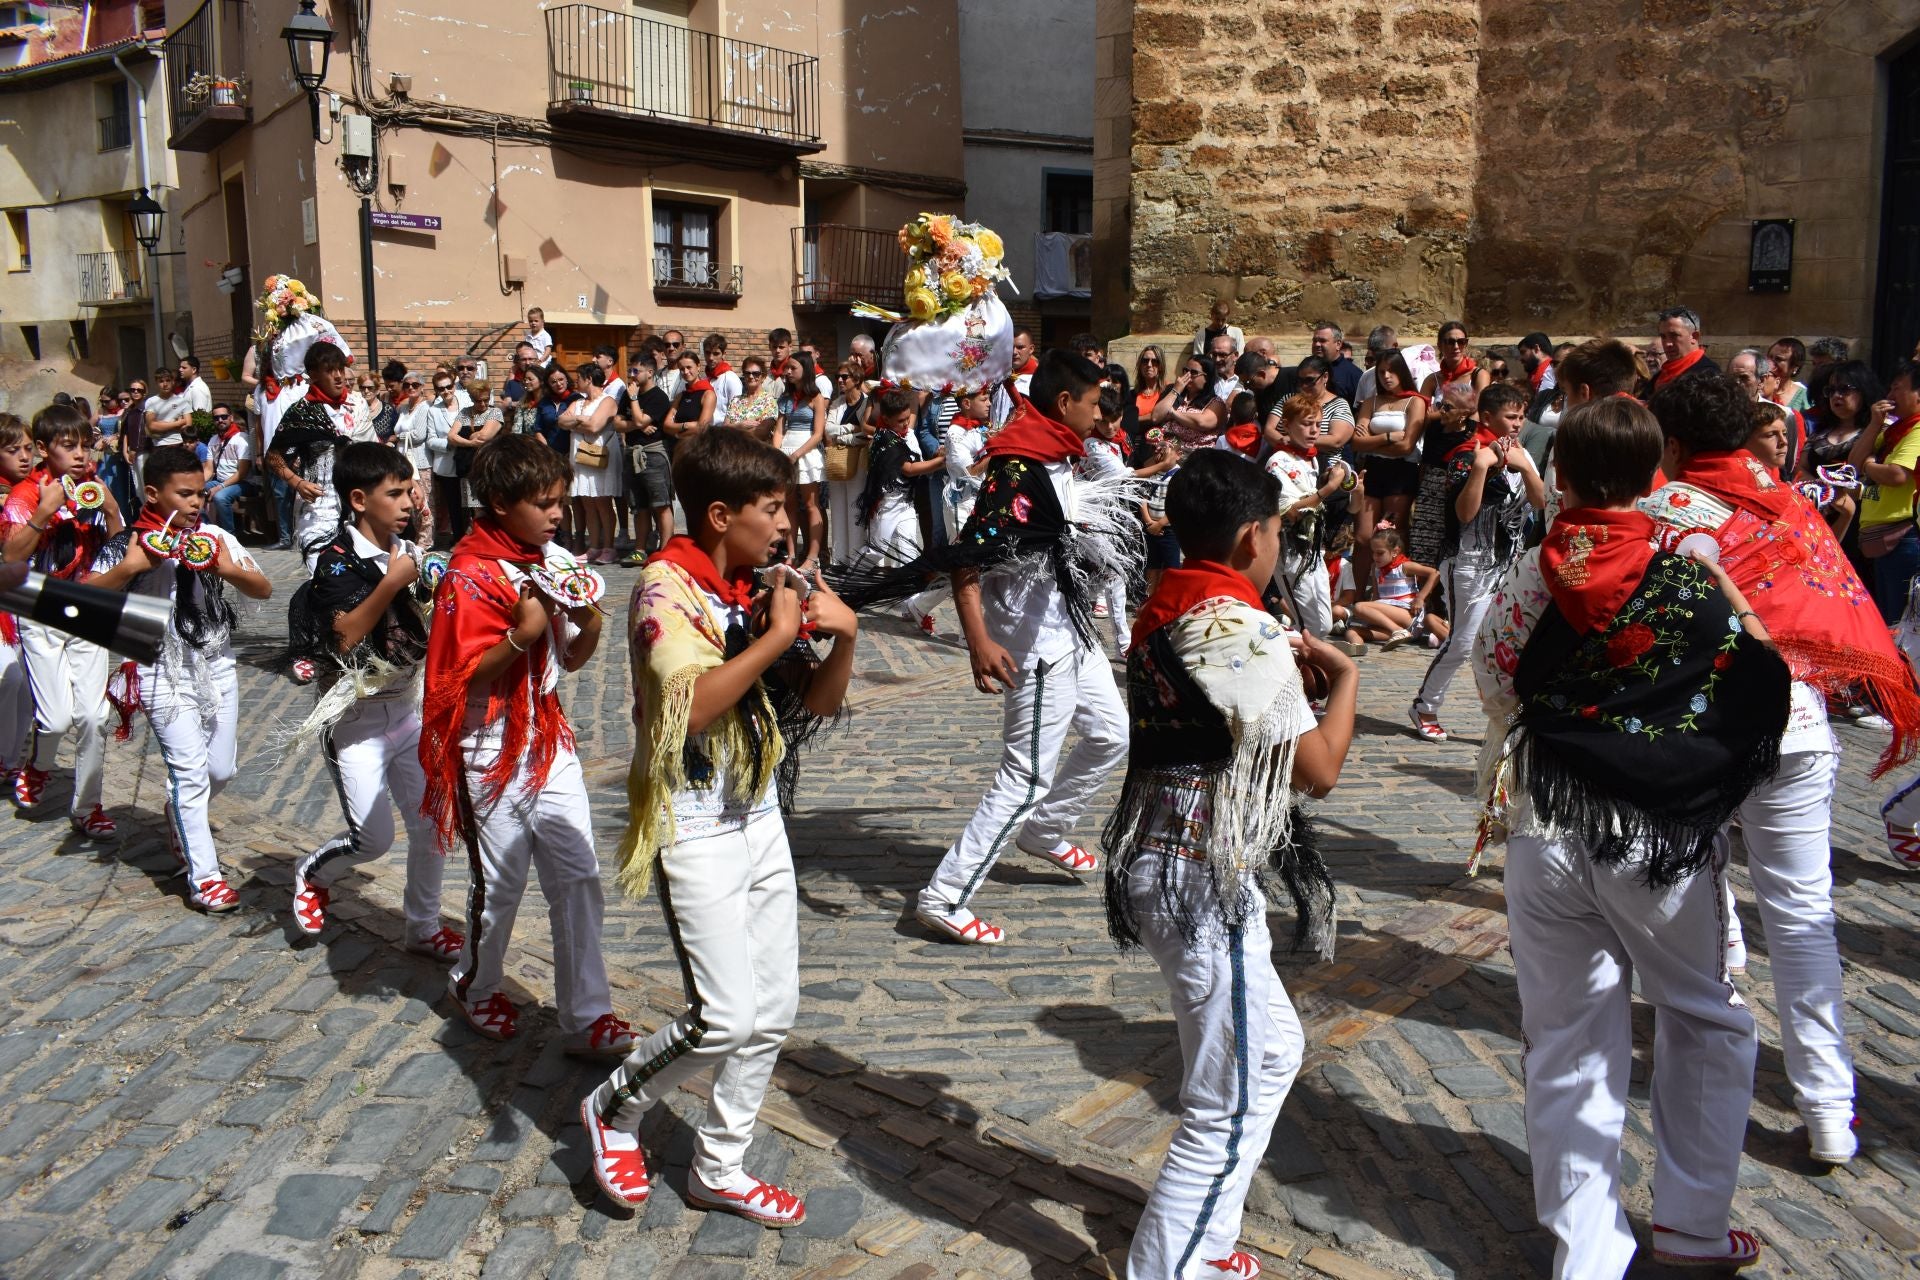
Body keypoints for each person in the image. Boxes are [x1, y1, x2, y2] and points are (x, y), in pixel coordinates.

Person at [1471, 394, 1789, 1276]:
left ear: (1561, 477)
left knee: (1566, 1034)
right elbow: (1759, 674)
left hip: (1547, 820)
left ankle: (1586, 1251)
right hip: (1655, 834)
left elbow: (1494, 681)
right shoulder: (1686, 565)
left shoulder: (1536, 570)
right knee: (1705, 1016)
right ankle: (1691, 1227)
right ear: (1653, 477)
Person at [1642, 374, 1920, 1168]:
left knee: (1694, 905)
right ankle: (1831, 1108)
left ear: (1677, 444)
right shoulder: (1788, 503)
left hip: (1710, 730)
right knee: (1803, 918)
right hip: (1798, 723)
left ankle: (1710, 1082)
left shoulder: (1670, 510)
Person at [582, 427, 858, 1223]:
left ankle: (720, 1164)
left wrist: (843, 634)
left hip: (759, 812)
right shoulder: (665, 587)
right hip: (692, 822)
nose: (785, 525)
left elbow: (821, 703)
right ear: (717, 514)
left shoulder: (749, 585)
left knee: (773, 1010)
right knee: (723, 1015)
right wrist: (776, 635)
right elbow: (690, 708)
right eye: (771, 510)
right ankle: (614, 1107)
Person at [1103, 447, 1355, 1280]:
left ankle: (1205, 1247)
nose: (1280, 542)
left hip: (1183, 862)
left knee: (1270, 1050)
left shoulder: (1170, 604)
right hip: (1197, 875)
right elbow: (1316, 772)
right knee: (1229, 1097)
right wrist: (1344, 682)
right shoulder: (1234, 623)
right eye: (1280, 528)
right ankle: (1168, 1266)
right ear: (1253, 535)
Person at [843, 353, 1139, 943]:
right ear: (1064, 404)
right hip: (1034, 643)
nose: (1102, 409)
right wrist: (978, 641)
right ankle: (945, 894)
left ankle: (1045, 832)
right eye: (1094, 400)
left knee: (1111, 733)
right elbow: (968, 560)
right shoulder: (1018, 468)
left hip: (1068, 627)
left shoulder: (1059, 456)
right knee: (1025, 776)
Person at [416, 434, 635, 1055]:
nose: (559, 514)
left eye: (562, 501)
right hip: (486, 743)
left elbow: (570, 654)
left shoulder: (550, 558)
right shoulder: (469, 573)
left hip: (547, 734)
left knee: (578, 873)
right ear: (502, 503)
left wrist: (589, 622)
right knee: (503, 882)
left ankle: (587, 1014)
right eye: (546, 503)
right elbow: (454, 680)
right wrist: (521, 635)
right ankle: (475, 982)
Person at [279, 442, 463, 956]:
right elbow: (344, 637)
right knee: (373, 838)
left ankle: (422, 927)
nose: (408, 502)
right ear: (359, 499)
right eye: (395, 493)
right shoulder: (334, 562)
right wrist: (390, 584)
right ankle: (313, 873)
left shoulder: (408, 552)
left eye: (410, 491)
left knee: (430, 825)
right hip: (355, 720)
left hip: (406, 711)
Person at [89, 445, 273, 910]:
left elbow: (264, 587)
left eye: (200, 494)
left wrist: (224, 567)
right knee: (189, 774)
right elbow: (79, 595)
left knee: (221, 770)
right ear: (153, 493)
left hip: (215, 664)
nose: (196, 503)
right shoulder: (127, 543)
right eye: (184, 494)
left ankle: (178, 811)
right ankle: (204, 878)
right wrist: (132, 567)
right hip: (158, 668)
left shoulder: (213, 536)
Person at [1, 403, 123, 830]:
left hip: (85, 605)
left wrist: (110, 510)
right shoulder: (26, 495)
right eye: (68, 446)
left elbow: (117, 549)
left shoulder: (91, 486)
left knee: (95, 716)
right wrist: (42, 512)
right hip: (39, 608)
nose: (80, 455)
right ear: (42, 448)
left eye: (85, 446)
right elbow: (11, 557)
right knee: (54, 717)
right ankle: (38, 764)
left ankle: (88, 806)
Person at [1411, 382, 1544, 742]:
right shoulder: (1466, 456)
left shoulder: (1520, 453)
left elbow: (1540, 501)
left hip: (1508, 565)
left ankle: (1508, 716)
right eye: (1510, 416)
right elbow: (1464, 514)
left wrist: (1527, 470)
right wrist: (1482, 468)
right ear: (1487, 417)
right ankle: (1425, 705)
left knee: (1509, 641)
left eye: (1521, 416)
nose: (1518, 423)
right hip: (1469, 562)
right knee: (1463, 641)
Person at [264, 343, 360, 572]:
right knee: (324, 576)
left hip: (359, 502)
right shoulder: (302, 411)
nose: (338, 377)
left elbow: (376, 450)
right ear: (314, 375)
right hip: (320, 506)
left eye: (340, 369)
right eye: (330, 370)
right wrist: (297, 482)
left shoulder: (357, 405)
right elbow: (273, 457)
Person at [1266, 391, 1351, 645]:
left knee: (1324, 623)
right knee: (1309, 626)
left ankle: (1288, 648)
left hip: (1313, 549)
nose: (1314, 430)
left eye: (1317, 424)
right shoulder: (1277, 461)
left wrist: (1330, 482)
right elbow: (1292, 511)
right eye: (1306, 424)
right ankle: (1303, 672)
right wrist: (1328, 489)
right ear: (1287, 425)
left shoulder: (1312, 459)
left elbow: (1311, 495)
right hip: (1290, 552)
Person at [1846, 359, 1920, 620]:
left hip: (1906, 537)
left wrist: (1868, 465)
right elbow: (1853, 464)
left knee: (1900, 624)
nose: (1889, 397)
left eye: (1897, 389)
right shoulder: (1894, 430)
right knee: (1888, 619)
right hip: (1882, 539)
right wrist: (1875, 424)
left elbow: (1897, 474)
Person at [1350, 351, 1426, 591]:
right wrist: (1388, 437)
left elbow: (1407, 446)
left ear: (1401, 372)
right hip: (1373, 469)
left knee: (1392, 534)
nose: (1386, 376)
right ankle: (1358, 594)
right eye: (1381, 372)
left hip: (1401, 471)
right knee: (1363, 537)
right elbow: (1356, 442)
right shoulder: (1371, 402)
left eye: (1390, 371)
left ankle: (1393, 592)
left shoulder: (1415, 401)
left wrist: (1374, 440)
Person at [855, 387, 945, 573]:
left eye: (907, 419)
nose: (905, 424)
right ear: (886, 419)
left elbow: (917, 460)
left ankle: (908, 595)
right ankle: (847, 584)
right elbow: (909, 469)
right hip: (886, 505)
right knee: (875, 551)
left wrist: (938, 454)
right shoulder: (884, 438)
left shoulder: (907, 434)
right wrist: (941, 461)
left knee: (909, 551)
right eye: (900, 421)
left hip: (906, 503)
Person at [1797, 359, 1879, 541]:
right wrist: (1825, 492)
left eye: (1844, 389)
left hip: (1858, 522)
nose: (1836, 396)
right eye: (1831, 391)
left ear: (1863, 390)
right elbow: (1800, 469)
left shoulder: (1876, 432)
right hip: (1817, 519)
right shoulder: (1819, 432)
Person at [561, 362, 622, 565]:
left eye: (579, 378)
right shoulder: (578, 402)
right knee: (587, 503)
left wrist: (576, 421)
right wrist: (582, 419)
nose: (576, 382)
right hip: (580, 457)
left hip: (600, 457)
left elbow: (595, 426)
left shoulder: (608, 401)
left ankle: (608, 546)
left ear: (588, 379)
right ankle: (594, 546)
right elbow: (561, 421)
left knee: (602, 502)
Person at [619, 353, 676, 565]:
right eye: (630, 371)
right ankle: (640, 549)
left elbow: (641, 418)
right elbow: (617, 423)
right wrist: (639, 424)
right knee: (639, 506)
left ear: (650, 372)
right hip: (632, 452)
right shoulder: (627, 394)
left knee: (660, 503)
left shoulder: (657, 397)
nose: (632, 375)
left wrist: (635, 405)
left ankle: (666, 550)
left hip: (653, 455)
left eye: (636, 371)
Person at [1341, 525, 1436, 650]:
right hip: (1392, 622)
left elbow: (1434, 573)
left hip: (1407, 615)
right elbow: (1376, 597)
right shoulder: (1375, 568)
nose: (1375, 557)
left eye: (1380, 553)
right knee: (1352, 630)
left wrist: (1421, 598)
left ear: (1395, 551)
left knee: (1359, 607)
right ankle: (1356, 647)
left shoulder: (1404, 566)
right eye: (1373, 553)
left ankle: (1397, 631)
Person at [824, 362, 871, 570]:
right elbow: (828, 430)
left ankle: (856, 562)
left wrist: (845, 436)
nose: (840, 381)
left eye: (845, 377)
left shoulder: (867, 403)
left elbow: (867, 434)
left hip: (860, 462)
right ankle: (840, 560)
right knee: (838, 510)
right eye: (838, 377)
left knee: (855, 509)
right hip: (838, 460)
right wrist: (852, 429)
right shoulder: (837, 403)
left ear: (857, 380)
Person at [447, 380, 505, 537]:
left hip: (488, 468)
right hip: (468, 468)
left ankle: (493, 539)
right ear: (472, 399)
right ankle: (479, 539)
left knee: (490, 506)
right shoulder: (465, 413)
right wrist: (471, 442)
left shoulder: (495, 412)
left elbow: (485, 437)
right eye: (479, 401)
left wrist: (465, 438)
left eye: (486, 399)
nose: (484, 404)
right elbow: (451, 437)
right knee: (474, 509)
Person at [1149, 354, 1225, 450]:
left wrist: (1173, 413)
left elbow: (1201, 422)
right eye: (1185, 371)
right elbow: (1155, 417)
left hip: (1196, 455)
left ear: (1207, 378)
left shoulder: (1216, 403)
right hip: (1167, 450)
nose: (1187, 376)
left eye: (1193, 372)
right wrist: (1176, 391)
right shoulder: (1173, 392)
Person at [203, 404, 255, 533]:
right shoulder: (213, 440)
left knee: (220, 497)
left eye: (224, 416)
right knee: (195, 491)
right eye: (216, 418)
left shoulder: (241, 439)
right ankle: (205, 530)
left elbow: (242, 473)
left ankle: (229, 535)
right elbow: (209, 469)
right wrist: (198, 484)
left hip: (243, 483)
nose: (220, 420)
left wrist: (220, 487)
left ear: (231, 418)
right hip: (221, 481)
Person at [1649, 306, 1722, 392]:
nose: (1667, 343)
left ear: (1694, 337)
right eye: (1663, 336)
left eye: (1674, 335)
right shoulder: (1661, 374)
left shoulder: (1707, 374)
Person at [1311, 321, 1362, 405]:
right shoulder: (1306, 370)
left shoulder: (1354, 375)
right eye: (1314, 340)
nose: (1317, 344)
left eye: (1322, 341)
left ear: (1338, 344)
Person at [704, 334, 743, 423]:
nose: (710, 358)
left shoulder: (730, 379)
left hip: (723, 432)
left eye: (715, 353)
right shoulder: (705, 378)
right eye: (707, 353)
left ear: (724, 354)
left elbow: (736, 412)